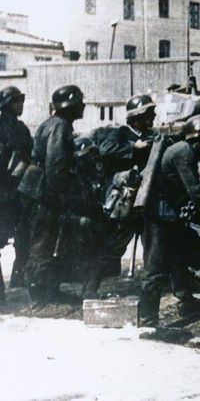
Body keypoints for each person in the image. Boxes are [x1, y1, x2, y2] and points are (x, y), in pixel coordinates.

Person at [138, 114, 200, 326]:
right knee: (155, 268)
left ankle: (186, 303)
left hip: (169, 213)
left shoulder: (185, 150)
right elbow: (196, 192)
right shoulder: (184, 152)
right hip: (160, 215)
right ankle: (147, 320)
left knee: (179, 260)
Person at [80, 94, 155, 299]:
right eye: (150, 113)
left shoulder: (151, 135)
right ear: (138, 116)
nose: (154, 116)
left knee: (157, 243)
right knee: (114, 246)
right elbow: (106, 149)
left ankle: (177, 289)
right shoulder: (120, 133)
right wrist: (133, 147)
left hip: (145, 200)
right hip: (124, 203)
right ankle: (89, 289)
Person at [22, 85, 85, 304]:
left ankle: (47, 290)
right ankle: (39, 297)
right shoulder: (59, 127)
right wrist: (60, 197)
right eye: (79, 102)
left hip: (39, 189)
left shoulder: (54, 123)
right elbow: (56, 164)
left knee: (47, 240)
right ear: (70, 106)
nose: (83, 105)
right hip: (46, 192)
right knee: (44, 241)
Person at [0, 86, 32, 303]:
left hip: (16, 191)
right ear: (6, 104)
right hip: (7, 191)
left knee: (23, 238)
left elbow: (28, 153)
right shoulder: (7, 127)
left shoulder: (20, 127)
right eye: (16, 101)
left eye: (21, 100)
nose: (20, 105)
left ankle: (17, 284)